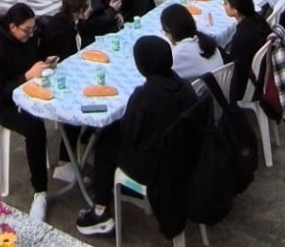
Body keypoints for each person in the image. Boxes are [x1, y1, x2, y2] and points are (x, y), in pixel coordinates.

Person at [75, 36, 198, 235]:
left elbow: (129, 135)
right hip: (184, 155)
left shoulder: (144, 95)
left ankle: (100, 210)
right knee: (111, 136)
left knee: (105, 142)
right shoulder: (184, 85)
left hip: (155, 167)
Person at [0, 4, 53, 221]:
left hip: (22, 90)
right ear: (12, 27)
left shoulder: (22, 39)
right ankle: (40, 192)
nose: (30, 34)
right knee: (35, 127)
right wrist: (27, 76)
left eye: (32, 29)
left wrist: (41, 64)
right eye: (27, 30)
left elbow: (27, 62)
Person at [221, 0, 272, 102]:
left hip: (247, 83)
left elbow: (234, 64)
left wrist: (219, 51)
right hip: (262, 70)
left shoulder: (242, 35)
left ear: (235, 10)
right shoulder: (258, 19)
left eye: (225, 3)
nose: (223, 6)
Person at [162, 4, 224, 80]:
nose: (165, 34)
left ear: (170, 30)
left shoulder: (178, 54)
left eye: (165, 31)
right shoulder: (205, 39)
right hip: (224, 86)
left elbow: (162, 78)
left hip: (208, 90)